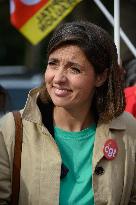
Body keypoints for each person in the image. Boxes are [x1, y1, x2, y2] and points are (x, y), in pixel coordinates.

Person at [0, 21, 136, 205]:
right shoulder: (11, 129)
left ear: (100, 77)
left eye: (74, 69)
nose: (58, 78)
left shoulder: (128, 129)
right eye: (53, 64)